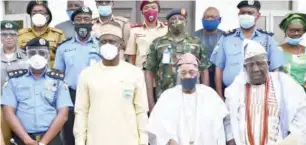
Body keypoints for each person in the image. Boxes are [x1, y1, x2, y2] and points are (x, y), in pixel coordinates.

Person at [73, 21, 148, 145]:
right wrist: (80, 141)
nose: (107, 45)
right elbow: (81, 112)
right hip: (96, 140)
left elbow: (141, 111)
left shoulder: (135, 73)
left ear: (121, 45)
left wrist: (143, 141)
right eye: (103, 41)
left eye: (112, 41)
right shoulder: (86, 74)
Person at [224, 39, 306, 145]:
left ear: (268, 64)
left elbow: (302, 113)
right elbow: (228, 120)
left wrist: (291, 139)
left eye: (260, 63)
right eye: (251, 64)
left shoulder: (285, 84)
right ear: (245, 67)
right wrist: (231, 140)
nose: (255, 69)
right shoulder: (236, 89)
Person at [1, 37, 73, 145]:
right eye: (32, 53)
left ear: (48, 55)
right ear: (27, 55)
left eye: (42, 53)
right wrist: (26, 139)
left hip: (51, 139)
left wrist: (43, 142)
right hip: (22, 139)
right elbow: (8, 113)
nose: (37, 56)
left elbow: (63, 115)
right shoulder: (14, 80)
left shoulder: (58, 80)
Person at [210, 0, 286, 100]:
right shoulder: (227, 38)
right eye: (243, 12)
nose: (246, 15)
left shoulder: (267, 38)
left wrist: (272, 95)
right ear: (238, 14)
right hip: (231, 94)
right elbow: (219, 68)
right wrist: (220, 96)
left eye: (250, 13)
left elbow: (275, 69)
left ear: (258, 16)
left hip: (260, 94)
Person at [148, 53, 229, 145]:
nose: (187, 76)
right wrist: (168, 140)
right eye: (183, 73)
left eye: (191, 72)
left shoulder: (209, 95)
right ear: (178, 75)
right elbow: (155, 127)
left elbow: (223, 124)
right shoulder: (167, 96)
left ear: (198, 74)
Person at [144, 8, 211, 112]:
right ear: (168, 22)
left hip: (191, 97)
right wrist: (151, 103)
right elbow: (149, 71)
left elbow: (204, 70)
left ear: (186, 22)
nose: (177, 21)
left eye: (181, 18)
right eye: (173, 18)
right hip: (164, 97)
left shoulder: (196, 42)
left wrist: (205, 96)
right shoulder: (158, 43)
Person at [54, 6, 100, 145]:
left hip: (96, 93)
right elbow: (58, 75)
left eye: (86, 19)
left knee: (95, 129)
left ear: (92, 23)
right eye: (78, 19)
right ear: (73, 23)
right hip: (71, 94)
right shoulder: (63, 47)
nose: (82, 22)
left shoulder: (101, 45)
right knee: (70, 132)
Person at [0, 20, 28, 145]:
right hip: (1, 106)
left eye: (12, 34)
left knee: (21, 138)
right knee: (4, 139)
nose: (8, 38)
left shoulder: (27, 57)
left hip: (21, 106)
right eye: (4, 34)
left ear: (17, 36)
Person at [18, 0, 65, 67]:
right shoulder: (21, 35)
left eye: (41, 12)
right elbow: (18, 57)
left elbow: (63, 58)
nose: (38, 15)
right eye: (34, 13)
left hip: (51, 74)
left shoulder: (58, 34)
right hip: (29, 74)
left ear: (47, 16)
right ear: (31, 16)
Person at [125, 0, 168, 68]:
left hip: (161, 72)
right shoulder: (135, 30)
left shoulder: (167, 30)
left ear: (158, 10)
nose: (150, 10)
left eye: (153, 8)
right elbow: (132, 56)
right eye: (146, 8)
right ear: (142, 12)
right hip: (142, 72)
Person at [192, 7, 223, 90]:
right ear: (202, 19)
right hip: (200, 76)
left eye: (212, 17)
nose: (209, 19)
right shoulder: (193, 37)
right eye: (206, 17)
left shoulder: (225, 37)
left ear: (219, 20)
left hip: (220, 76)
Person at [279, 13, 306, 90]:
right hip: (284, 93)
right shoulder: (278, 51)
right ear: (285, 31)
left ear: (303, 31)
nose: (296, 33)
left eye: (299, 30)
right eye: (292, 30)